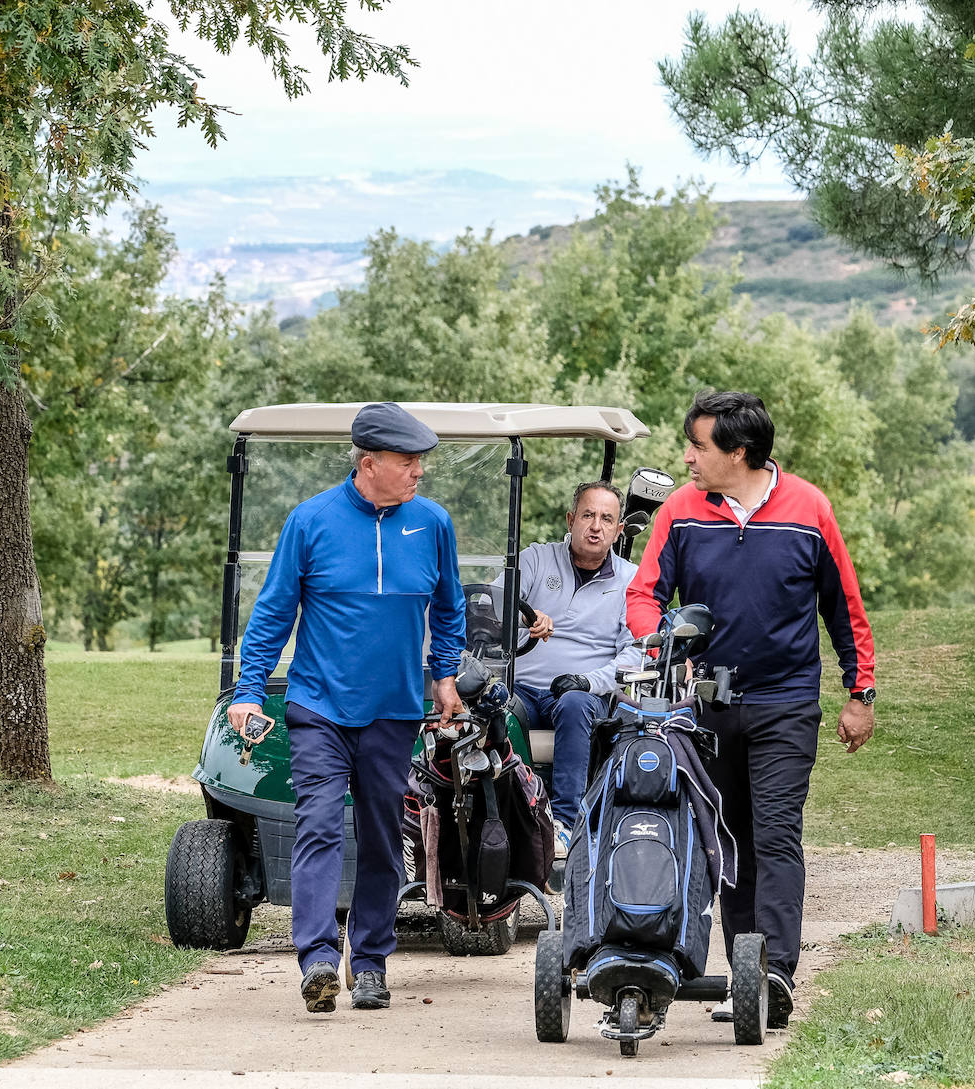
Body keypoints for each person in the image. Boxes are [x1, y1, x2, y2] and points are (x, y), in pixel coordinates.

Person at [626, 390, 876, 1030]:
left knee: (775, 833)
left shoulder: (809, 508)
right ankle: (744, 975)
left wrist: (860, 692)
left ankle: (773, 975)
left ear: (738, 453)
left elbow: (842, 605)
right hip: (705, 706)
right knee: (727, 841)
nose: (686, 458)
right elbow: (645, 595)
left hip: (785, 704)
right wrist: (660, 643)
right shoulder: (681, 511)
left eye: (698, 446)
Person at [228, 402, 466, 1015]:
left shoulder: (433, 524)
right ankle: (316, 959)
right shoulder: (311, 521)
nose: (419, 473)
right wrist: (250, 689)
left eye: (420, 463)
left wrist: (444, 677)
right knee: (319, 825)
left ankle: (371, 962)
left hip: (394, 712)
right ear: (369, 462)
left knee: (385, 839)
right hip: (320, 705)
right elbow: (274, 612)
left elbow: (448, 608)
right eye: (408, 462)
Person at [500, 481, 641, 858]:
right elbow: (491, 607)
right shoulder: (535, 559)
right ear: (571, 518)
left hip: (584, 693)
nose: (595, 526)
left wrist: (586, 681)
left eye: (606, 519)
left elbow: (635, 653)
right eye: (588, 515)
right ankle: (503, 819)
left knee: (575, 704)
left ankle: (563, 824)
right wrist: (522, 618)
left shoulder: (631, 580)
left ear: (618, 529)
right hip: (524, 687)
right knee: (497, 708)